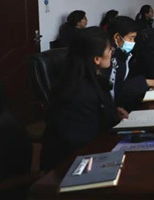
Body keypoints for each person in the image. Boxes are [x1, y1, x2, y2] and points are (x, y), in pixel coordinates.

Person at [41, 27, 124, 170]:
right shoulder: (78, 93)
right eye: (110, 49)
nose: (112, 52)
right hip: (71, 167)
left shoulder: (86, 78)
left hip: (90, 154)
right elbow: (84, 143)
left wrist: (113, 113)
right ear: (97, 59)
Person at [103, 16, 154, 111]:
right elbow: (115, 90)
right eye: (131, 38)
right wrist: (145, 82)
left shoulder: (123, 55)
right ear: (117, 37)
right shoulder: (109, 59)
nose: (133, 42)